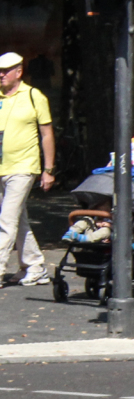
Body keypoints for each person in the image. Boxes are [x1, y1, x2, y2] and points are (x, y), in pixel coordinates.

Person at [0, 52, 55, 287]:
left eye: (5, 71)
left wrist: (49, 169)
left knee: (5, 220)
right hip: (2, 167)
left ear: (19, 72)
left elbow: (47, 134)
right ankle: (35, 267)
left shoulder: (34, 96)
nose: (1, 75)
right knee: (17, 219)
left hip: (23, 167)